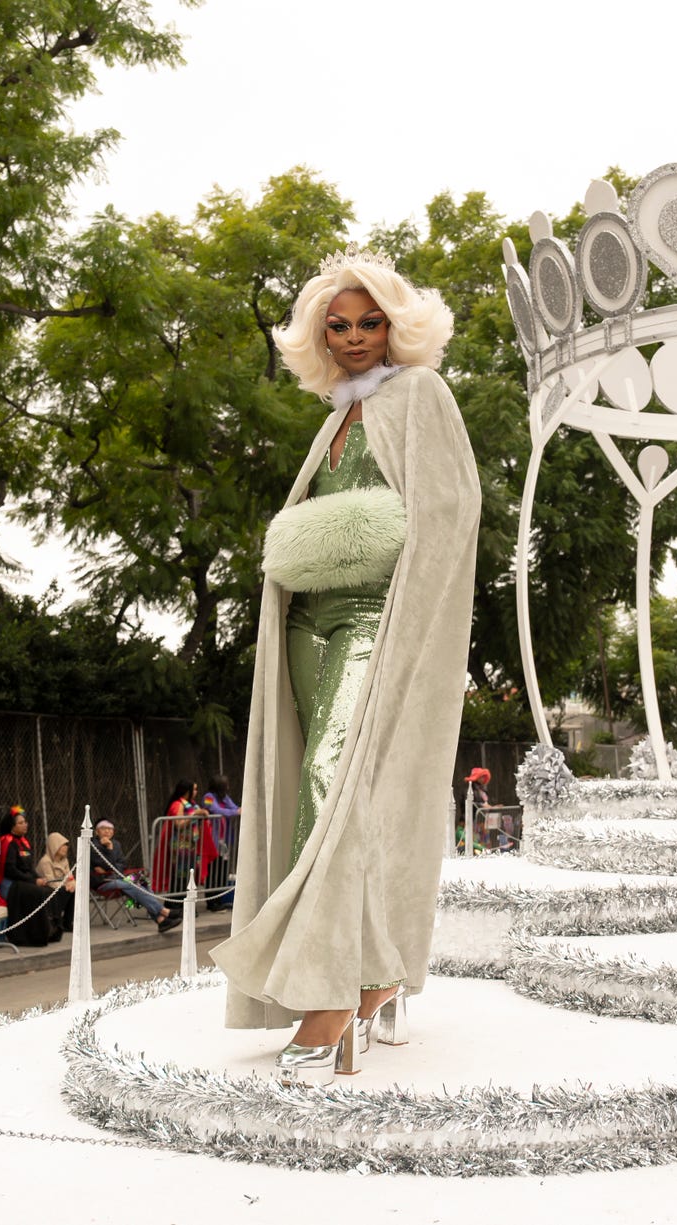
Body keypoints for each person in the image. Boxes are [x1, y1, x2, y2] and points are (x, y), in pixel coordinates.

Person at [211, 244, 480, 1087]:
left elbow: (449, 513)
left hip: (374, 615)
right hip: (310, 620)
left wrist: (413, 628)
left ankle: (330, 995)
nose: (357, 336)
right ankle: (373, 973)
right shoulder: (334, 416)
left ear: (398, 326)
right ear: (317, 335)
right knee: (310, 789)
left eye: (371, 322)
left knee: (338, 784)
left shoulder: (422, 395)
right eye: (340, 324)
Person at [90, 819, 181, 933]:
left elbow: (122, 864)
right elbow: (105, 864)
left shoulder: (116, 844)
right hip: (102, 882)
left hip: (118, 877)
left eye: (110, 829)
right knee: (131, 885)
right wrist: (109, 849)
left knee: (142, 881)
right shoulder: (92, 845)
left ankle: (161, 920)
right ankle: (163, 911)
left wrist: (111, 866)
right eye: (104, 829)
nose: (107, 831)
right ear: (97, 831)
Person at [0, 807, 63, 946]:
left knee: (49, 891)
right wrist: (33, 881)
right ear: (12, 826)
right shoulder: (7, 842)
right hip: (11, 884)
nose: (25, 824)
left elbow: (29, 868)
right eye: (20, 823)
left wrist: (39, 879)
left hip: (24, 881)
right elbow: (10, 870)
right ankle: (33, 935)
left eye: (25, 822)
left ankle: (51, 930)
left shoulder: (24, 842)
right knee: (37, 893)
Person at [152, 780, 218, 898]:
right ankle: (176, 901)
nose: (196, 792)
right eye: (194, 789)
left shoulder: (191, 804)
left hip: (191, 844)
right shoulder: (178, 804)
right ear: (188, 791)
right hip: (180, 845)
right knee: (180, 874)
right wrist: (194, 815)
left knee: (189, 874)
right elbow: (179, 823)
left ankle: (185, 901)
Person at [202, 774, 240, 911]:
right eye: (226, 784)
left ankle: (219, 900)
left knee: (222, 870)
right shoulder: (208, 797)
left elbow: (234, 807)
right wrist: (234, 812)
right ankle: (211, 901)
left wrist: (235, 811)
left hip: (224, 841)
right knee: (213, 871)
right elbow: (216, 810)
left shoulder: (224, 797)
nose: (228, 787)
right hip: (213, 840)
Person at [35, 832, 76, 932]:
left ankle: (68, 922)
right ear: (54, 846)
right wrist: (66, 886)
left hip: (61, 886)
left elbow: (69, 876)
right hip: (47, 889)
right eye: (62, 845)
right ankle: (57, 921)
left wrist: (73, 883)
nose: (65, 848)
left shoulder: (64, 860)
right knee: (64, 891)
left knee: (74, 890)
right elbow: (50, 881)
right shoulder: (45, 861)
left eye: (66, 845)